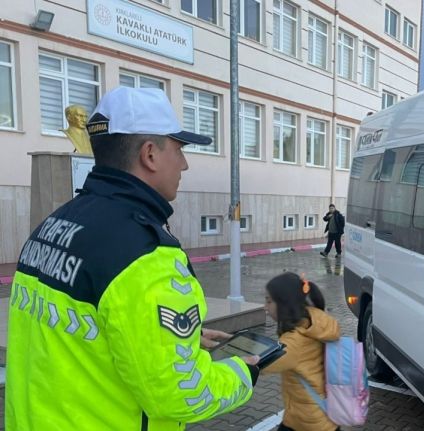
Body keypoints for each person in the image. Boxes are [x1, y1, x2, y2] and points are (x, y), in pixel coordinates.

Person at [5, 87, 258, 431]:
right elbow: (181, 394)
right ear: (150, 154)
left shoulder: (53, 226)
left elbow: (76, 339)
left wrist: (164, 341)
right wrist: (245, 372)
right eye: (179, 149)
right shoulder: (146, 255)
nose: (184, 164)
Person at [259, 272, 341, 431]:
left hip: (306, 423)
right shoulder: (314, 320)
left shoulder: (295, 342)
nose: (265, 307)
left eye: (269, 301)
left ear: (284, 304)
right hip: (321, 417)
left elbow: (260, 363)